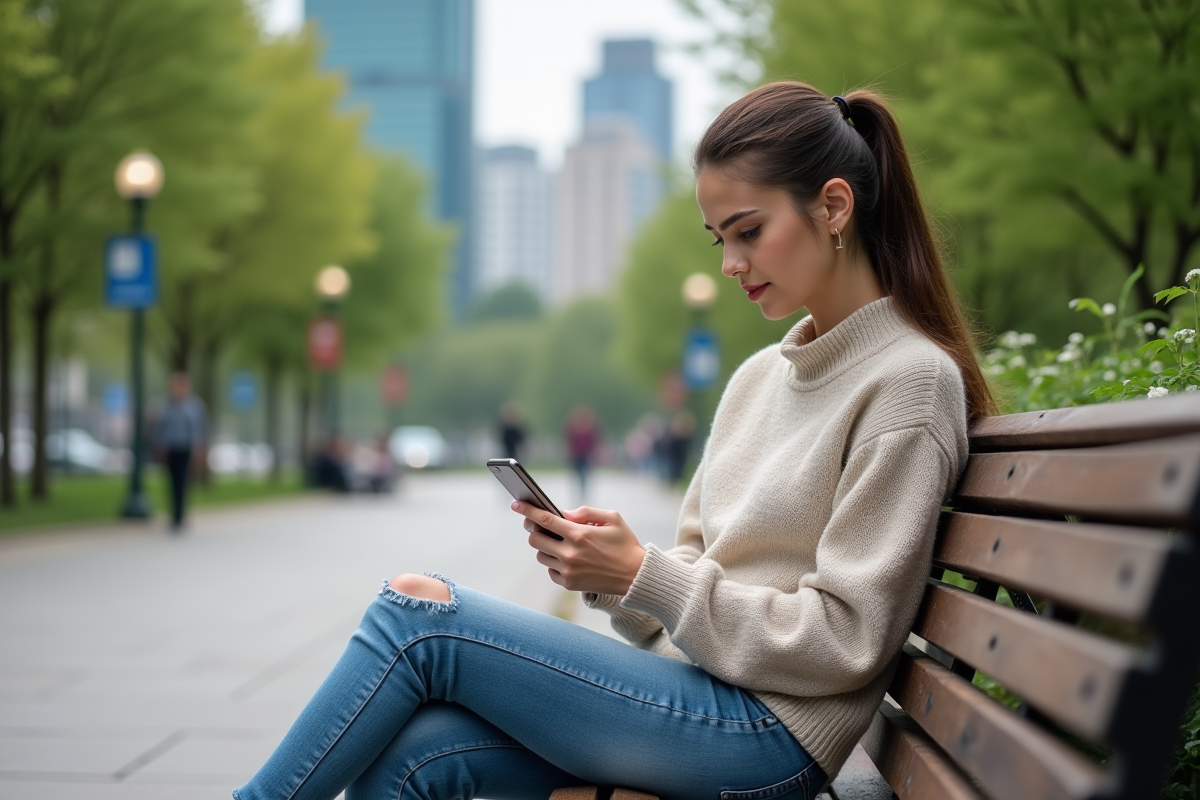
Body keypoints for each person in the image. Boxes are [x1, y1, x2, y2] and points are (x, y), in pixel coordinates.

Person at [233, 82, 994, 800]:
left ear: (834, 207)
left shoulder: (909, 383)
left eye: (749, 232)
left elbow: (845, 640)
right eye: (718, 239)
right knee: (414, 754)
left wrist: (648, 577)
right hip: (702, 695)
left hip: (770, 732)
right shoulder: (761, 377)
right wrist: (613, 572)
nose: (731, 265)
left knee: (418, 613)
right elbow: (695, 575)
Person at [153, 372, 208, 532]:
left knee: (183, 481)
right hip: (170, 448)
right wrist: (159, 445)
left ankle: (180, 514)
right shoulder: (166, 405)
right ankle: (173, 514)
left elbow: (200, 428)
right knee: (171, 481)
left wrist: (200, 448)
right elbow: (160, 428)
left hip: (186, 448)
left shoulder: (195, 405)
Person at [563, 405, 600, 500]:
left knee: (585, 474)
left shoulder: (590, 429)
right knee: (577, 473)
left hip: (586, 455)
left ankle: (583, 491)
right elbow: (568, 439)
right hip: (576, 455)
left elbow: (594, 441)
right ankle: (578, 490)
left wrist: (594, 452)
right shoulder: (573, 428)